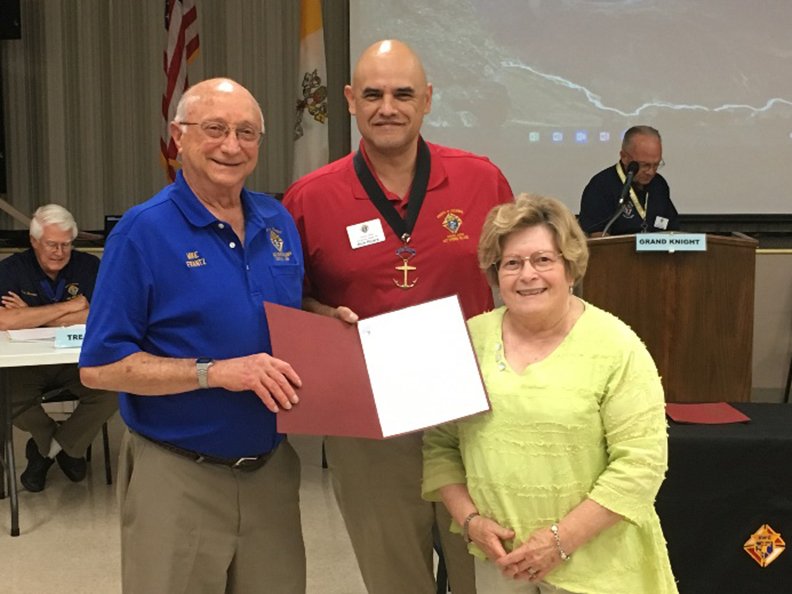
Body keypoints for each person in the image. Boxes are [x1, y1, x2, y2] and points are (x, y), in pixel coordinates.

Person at [283, 39, 513, 594]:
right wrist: (322, 314)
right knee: (393, 573)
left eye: (403, 93)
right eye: (373, 94)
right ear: (349, 100)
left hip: (473, 410)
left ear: (428, 99)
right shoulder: (309, 198)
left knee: (480, 567)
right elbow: (291, 302)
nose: (388, 106)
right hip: (371, 422)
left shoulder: (482, 180)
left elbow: (520, 279)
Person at [78, 78, 306, 594]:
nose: (231, 145)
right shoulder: (143, 232)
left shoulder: (277, 222)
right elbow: (99, 366)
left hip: (271, 470)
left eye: (246, 132)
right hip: (177, 475)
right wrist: (215, 372)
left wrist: (326, 315)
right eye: (215, 129)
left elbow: (283, 306)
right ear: (178, 137)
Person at [423, 194, 678, 594]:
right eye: (512, 263)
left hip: (600, 568)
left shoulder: (616, 346)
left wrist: (558, 543)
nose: (528, 275)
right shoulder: (470, 339)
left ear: (570, 267)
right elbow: (441, 445)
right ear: (496, 273)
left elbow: (641, 465)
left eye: (543, 259)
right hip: (500, 564)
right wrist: (472, 523)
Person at [0, 204, 117, 493]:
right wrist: (68, 308)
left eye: (66, 244)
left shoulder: (89, 266)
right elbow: (5, 320)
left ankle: (51, 452)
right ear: (34, 241)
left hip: (75, 362)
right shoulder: (11, 269)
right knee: (7, 397)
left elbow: (101, 314)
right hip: (25, 366)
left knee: (114, 389)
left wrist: (31, 315)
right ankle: (59, 446)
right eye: (51, 244)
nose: (59, 252)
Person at [578, 125, 679, 235]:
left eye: (656, 165)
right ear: (624, 157)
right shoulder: (601, 186)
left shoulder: (659, 185)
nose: (651, 172)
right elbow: (596, 237)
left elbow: (673, 230)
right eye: (644, 165)